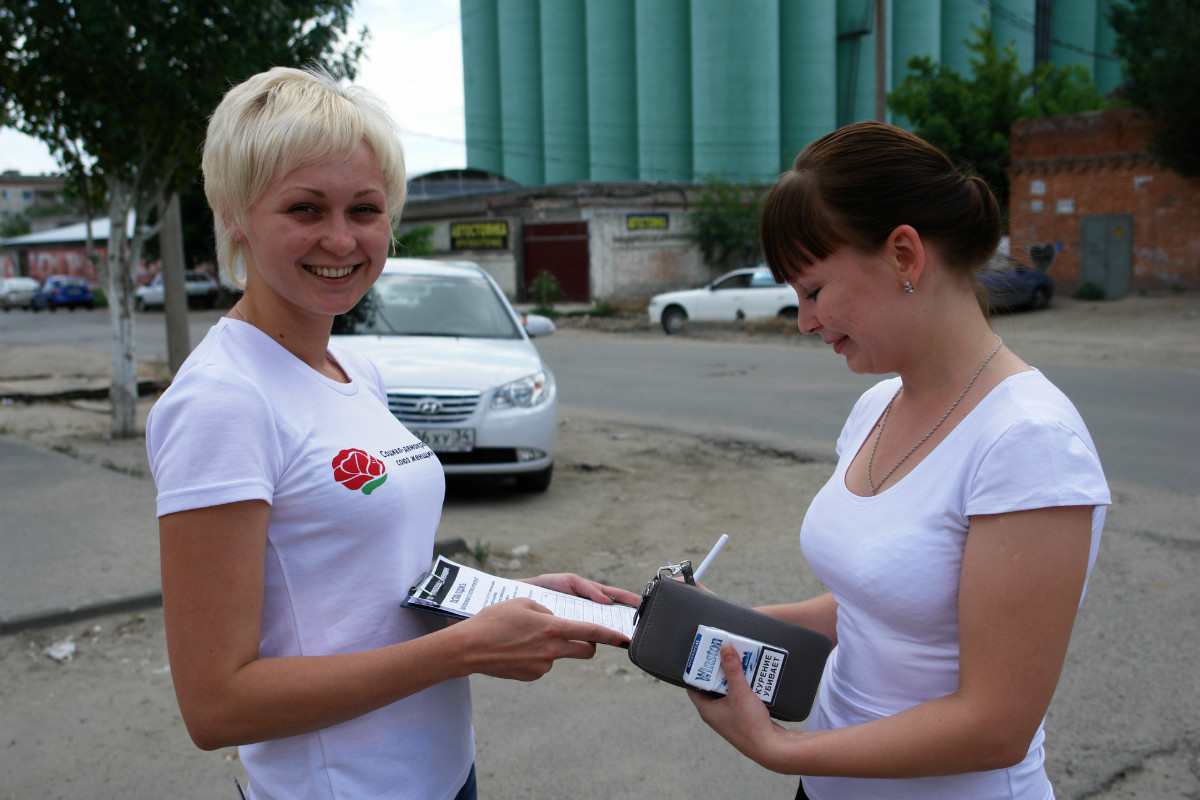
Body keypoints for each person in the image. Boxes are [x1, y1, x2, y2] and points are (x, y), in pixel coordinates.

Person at [145, 66, 640, 800]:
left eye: (365, 209)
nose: (341, 239)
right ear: (233, 213)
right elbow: (217, 706)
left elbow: (368, 588)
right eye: (306, 209)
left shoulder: (354, 370)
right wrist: (460, 650)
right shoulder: (223, 400)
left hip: (441, 771)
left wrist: (504, 601)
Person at [687, 121, 1110, 800]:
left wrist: (781, 747)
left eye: (814, 290)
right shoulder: (877, 406)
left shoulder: (1030, 442)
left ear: (905, 256)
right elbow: (873, 604)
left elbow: (996, 724)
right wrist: (713, 623)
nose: (803, 320)